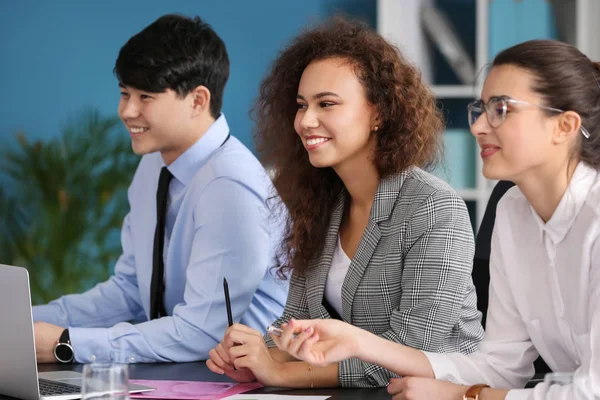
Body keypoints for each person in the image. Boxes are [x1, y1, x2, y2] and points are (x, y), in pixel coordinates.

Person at [271, 39, 600, 400]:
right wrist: (358, 342)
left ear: (565, 126)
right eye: (482, 108)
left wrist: (466, 396)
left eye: (502, 109)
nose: (477, 127)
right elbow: (501, 365)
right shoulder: (512, 211)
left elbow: (590, 391)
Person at [206, 17, 484, 389]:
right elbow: (298, 325)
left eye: (327, 104)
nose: (306, 120)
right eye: (302, 105)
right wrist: (257, 354)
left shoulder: (434, 208)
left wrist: (283, 372)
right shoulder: (321, 201)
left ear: (379, 114)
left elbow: (413, 352)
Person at [32, 14, 288, 364]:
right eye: (124, 93)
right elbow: (130, 293)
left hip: (248, 384)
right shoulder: (154, 166)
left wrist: (66, 343)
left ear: (198, 100)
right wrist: (23, 322)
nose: (127, 111)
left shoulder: (229, 185)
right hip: (183, 374)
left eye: (146, 97)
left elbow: (200, 334)